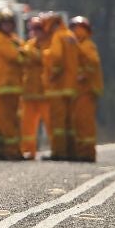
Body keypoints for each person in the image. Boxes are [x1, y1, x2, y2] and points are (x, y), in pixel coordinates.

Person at [0, 9, 25, 160]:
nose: (7, 26)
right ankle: (13, 151)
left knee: (3, 120)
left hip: (14, 86)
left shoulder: (14, 39)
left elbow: (23, 51)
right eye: (4, 23)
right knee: (8, 121)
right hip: (1, 86)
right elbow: (14, 56)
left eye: (9, 24)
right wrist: (24, 53)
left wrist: (23, 53)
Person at [42, 12, 80, 160]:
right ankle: (71, 151)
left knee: (58, 123)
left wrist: (53, 72)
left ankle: (59, 152)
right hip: (71, 87)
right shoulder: (71, 36)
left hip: (59, 87)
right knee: (69, 123)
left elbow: (56, 57)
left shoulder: (58, 37)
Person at [70, 16, 103, 162]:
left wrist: (84, 75)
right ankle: (80, 151)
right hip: (79, 91)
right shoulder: (80, 45)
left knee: (85, 122)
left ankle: (87, 152)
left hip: (87, 90)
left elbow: (93, 63)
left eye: (77, 29)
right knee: (78, 122)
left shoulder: (87, 45)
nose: (75, 32)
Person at [19, 16, 49, 159]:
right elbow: (21, 58)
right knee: (27, 125)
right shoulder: (29, 44)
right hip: (29, 92)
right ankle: (28, 151)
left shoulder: (49, 44)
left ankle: (57, 149)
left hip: (45, 93)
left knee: (51, 123)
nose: (36, 32)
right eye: (33, 29)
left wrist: (30, 55)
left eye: (39, 29)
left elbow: (44, 58)